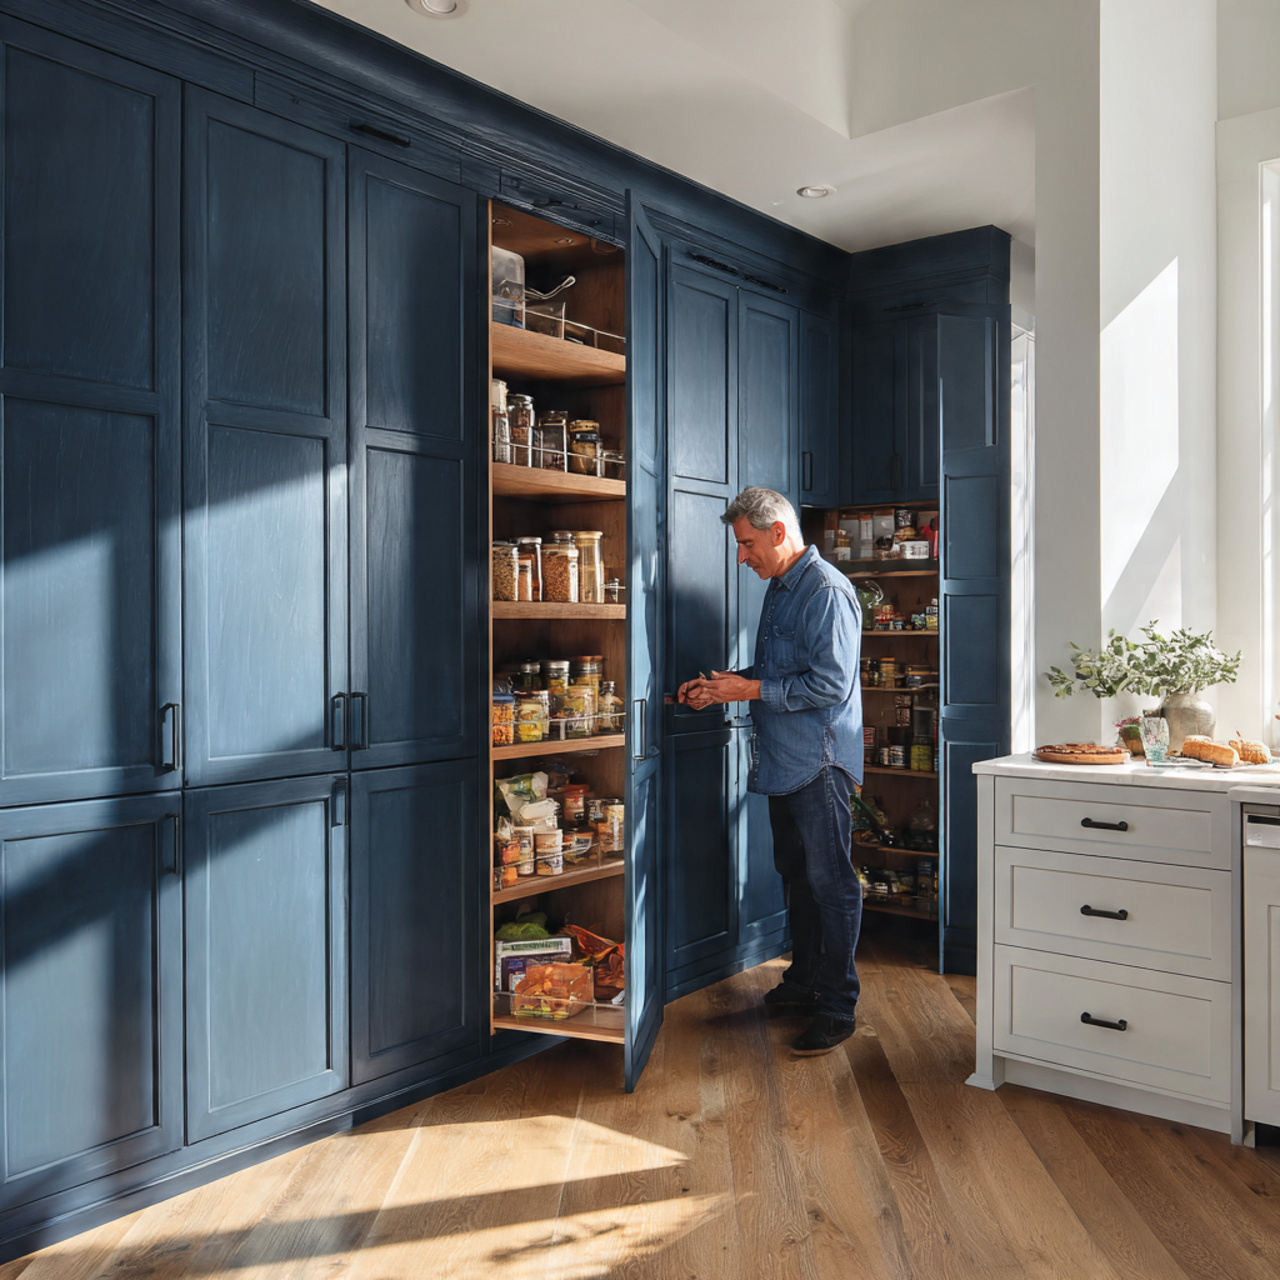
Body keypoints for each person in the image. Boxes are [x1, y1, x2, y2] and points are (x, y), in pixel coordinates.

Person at [677, 487, 864, 1056]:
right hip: (784, 761)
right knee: (798, 878)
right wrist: (723, 685)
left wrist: (750, 688)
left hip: (819, 764)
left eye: (747, 544)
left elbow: (830, 684)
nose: (742, 557)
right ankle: (804, 981)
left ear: (778, 533)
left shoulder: (826, 590)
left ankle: (838, 1005)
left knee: (832, 888)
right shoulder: (783, 588)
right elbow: (780, 670)